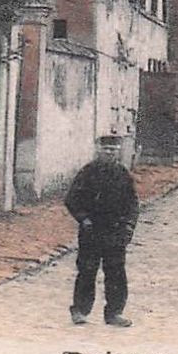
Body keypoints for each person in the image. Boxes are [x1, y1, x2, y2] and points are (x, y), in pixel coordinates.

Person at [64, 135, 139, 327]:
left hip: (115, 230)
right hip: (92, 230)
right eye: (106, 150)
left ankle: (114, 313)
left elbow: (133, 204)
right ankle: (80, 310)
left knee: (116, 272)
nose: (110, 153)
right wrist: (84, 219)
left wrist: (128, 226)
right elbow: (72, 199)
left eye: (113, 150)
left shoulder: (123, 175)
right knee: (87, 270)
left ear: (118, 152)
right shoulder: (88, 172)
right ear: (99, 150)